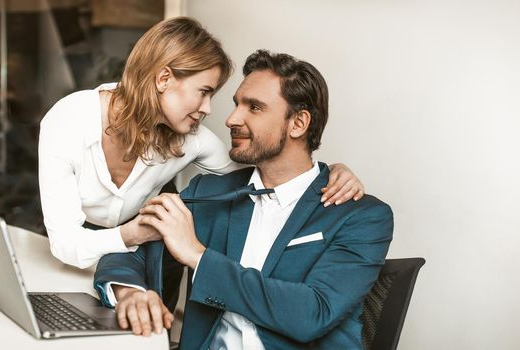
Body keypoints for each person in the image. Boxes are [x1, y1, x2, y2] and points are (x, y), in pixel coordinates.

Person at [94, 50, 393, 349]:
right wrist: (129, 292)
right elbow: (130, 245)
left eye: (254, 107)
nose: (231, 118)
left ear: (299, 123)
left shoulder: (362, 216)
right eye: (238, 104)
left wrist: (198, 257)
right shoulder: (208, 193)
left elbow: (313, 313)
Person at [38, 17, 364, 269]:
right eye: (204, 91)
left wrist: (331, 171)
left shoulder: (191, 139)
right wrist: (132, 233)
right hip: (72, 259)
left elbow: (265, 167)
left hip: (140, 263)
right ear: (164, 78)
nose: (209, 109)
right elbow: (65, 243)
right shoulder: (68, 122)